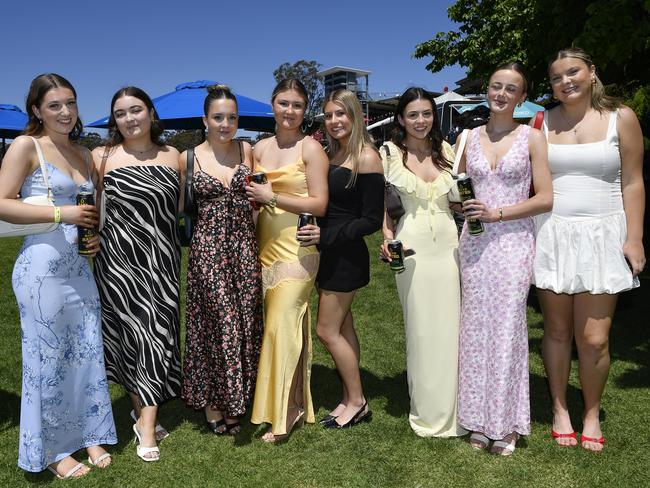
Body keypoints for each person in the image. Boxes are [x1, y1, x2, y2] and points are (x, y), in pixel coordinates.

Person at [0, 73, 116, 479]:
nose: (65, 112)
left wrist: (94, 235)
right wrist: (59, 214)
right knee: (47, 359)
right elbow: (2, 204)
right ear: (36, 110)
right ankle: (51, 450)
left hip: (80, 268)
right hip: (41, 272)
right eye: (54, 105)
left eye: (70, 102)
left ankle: (90, 433)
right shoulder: (25, 146)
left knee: (85, 353)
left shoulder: (84, 154)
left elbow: (91, 209)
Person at [533, 48, 645, 452]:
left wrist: (635, 237)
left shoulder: (622, 118)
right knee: (558, 331)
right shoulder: (541, 122)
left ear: (592, 72)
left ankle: (591, 412)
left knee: (595, 338)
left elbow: (633, 181)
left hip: (604, 234)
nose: (566, 81)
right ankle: (561, 408)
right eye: (557, 77)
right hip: (553, 234)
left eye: (574, 72)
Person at [455, 62, 552, 455]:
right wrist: (464, 206)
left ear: (522, 97)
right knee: (476, 329)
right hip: (475, 243)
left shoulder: (532, 138)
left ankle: (506, 422)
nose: (501, 94)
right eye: (496, 86)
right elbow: (457, 189)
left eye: (511, 89)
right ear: (487, 90)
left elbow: (545, 197)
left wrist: (497, 212)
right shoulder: (468, 137)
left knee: (509, 328)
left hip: (513, 240)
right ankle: (478, 421)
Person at [91, 87, 181, 462]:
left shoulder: (174, 156)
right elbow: (92, 207)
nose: (129, 119)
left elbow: (176, 212)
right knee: (130, 341)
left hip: (161, 264)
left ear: (150, 113)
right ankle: (145, 420)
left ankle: (144, 417)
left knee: (157, 339)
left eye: (136, 110)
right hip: (117, 265)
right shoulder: (101, 156)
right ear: (115, 120)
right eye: (121, 113)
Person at [379, 87, 467, 438]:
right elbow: (383, 206)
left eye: (426, 114)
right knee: (420, 330)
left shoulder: (448, 152)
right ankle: (428, 413)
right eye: (413, 114)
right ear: (401, 118)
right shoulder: (388, 153)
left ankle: (458, 411)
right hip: (411, 249)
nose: (420, 121)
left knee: (450, 330)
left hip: (449, 247)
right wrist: (387, 238)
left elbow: (460, 202)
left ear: (434, 116)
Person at [245, 79, 329, 442]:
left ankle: (285, 412)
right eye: (283, 103)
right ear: (273, 105)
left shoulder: (311, 148)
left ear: (304, 109)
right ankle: (293, 400)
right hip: (263, 248)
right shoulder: (258, 148)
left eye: (297, 105)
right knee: (280, 327)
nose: (290, 111)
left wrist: (273, 197)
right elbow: (251, 199)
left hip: (299, 248)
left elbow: (319, 204)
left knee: (281, 324)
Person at [181, 85, 263, 435]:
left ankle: (236, 398)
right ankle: (218, 404)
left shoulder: (249, 150)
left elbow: (259, 200)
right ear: (205, 120)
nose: (225, 124)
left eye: (232, 117)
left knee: (245, 324)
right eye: (218, 117)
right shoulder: (188, 157)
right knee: (218, 325)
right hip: (208, 251)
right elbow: (177, 206)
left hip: (245, 248)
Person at [299, 89, 383, 429]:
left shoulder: (366, 157)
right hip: (329, 252)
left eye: (341, 114)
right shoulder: (333, 153)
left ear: (355, 116)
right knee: (344, 327)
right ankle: (350, 397)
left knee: (326, 330)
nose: (334, 121)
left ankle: (358, 402)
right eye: (329, 115)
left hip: (346, 254)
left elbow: (372, 219)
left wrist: (327, 236)